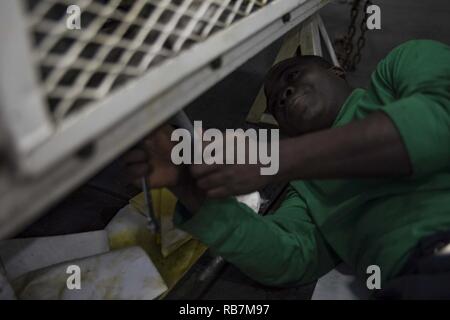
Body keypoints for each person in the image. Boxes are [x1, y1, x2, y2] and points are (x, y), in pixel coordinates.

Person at [124, 40, 450, 298]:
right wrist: (193, 189)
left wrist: (278, 158)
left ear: (336, 71)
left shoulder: (400, 70)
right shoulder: (305, 186)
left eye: (292, 77)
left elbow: (440, 120)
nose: (284, 94)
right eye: (276, 103)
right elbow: (290, 259)